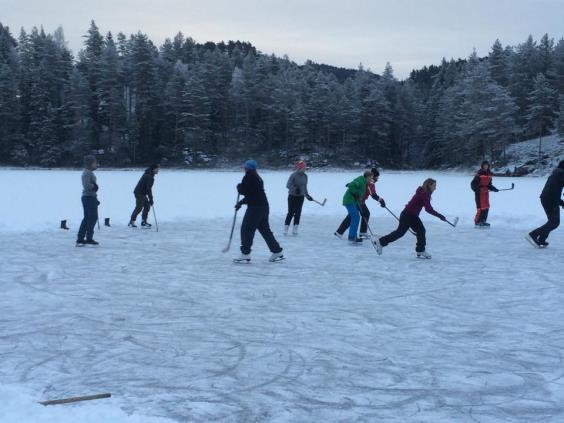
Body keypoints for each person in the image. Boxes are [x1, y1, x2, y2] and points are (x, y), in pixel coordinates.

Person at [378, 178, 447, 259]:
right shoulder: (424, 194)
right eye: (434, 186)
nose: (435, 188)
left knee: (419, 230)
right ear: (429, 185)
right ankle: (380, 242)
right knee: (401, 233)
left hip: (411, 215)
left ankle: (420, 250)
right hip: (408, 215)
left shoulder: (424, 192)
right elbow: (428, 209)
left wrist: (439, 216)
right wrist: (439, 216)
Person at [234, 160, 284, 263]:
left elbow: (245, 191)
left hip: (255, 208)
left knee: (246, 229)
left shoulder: (249, 177)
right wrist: (241, 203)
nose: (244, 168)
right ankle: (276, 251)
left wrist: (239, 187)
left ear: (248, 168)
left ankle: (245, 253)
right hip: (263, 207)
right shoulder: (257, 177)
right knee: (265, 230)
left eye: (245, 167)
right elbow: (253, 194)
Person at [334, 168, 385, 239]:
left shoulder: (368, 181)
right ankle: (360, 233)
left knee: (354, 215)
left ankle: (340, 232)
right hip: (357, 201)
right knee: (361, 214)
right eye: (377, 177)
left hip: (359, 201)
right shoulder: (370, 183)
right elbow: (372, 194)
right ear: (372, 176)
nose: (378, 178)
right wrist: (380, 200)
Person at [527, 160, 564, 248]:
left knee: (552, 221)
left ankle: (541, 239)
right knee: (554, 222)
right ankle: (533, 235)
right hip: (550, 199)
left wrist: (561, 202)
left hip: (548, 198)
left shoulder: (557, 173)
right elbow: (554, 191)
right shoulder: (561, 174)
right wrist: (561, 202)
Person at [341, 170, 374, 244]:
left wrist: (359, 205)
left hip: (354, 202)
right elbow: (352, 184)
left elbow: (359, 197)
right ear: (367, 177)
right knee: (355, 217)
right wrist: (354, 192)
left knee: (356, 217)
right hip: (349, 201)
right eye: (370, 178)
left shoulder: (364, 183)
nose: (371, 179)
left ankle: (352, 235)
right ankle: (352, 236)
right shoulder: (361, 181)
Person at [284, 160, 313, 236]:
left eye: (305, 168)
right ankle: (286, 228)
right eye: (303, 168)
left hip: (300, 197)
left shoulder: (305, 176)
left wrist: (307, 195)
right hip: (292, 196)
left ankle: (295, 229)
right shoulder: (293, 175)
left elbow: (304, 187)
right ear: (299, 168)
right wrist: (295, 188)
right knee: (290, 212)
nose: (304, 169)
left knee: (298, 212)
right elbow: (288, 185)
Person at [76, 155, 100, 246]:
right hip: (88, 197)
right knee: (89, 218)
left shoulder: (89, 172)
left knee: (92, 218)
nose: (96, 164)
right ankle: (80, 239)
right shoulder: (87, 173)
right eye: (94, 163)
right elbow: (87, 186)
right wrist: (94, 186)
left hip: (91, 197)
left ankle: (88, 238)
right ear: (90, 164)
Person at [471, 160, 498, 228]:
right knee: (480, 207)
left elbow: (489, 185)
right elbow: (473, 184)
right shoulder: (479, 173)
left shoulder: (489, 174)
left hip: (485, 193)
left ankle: (483, 221)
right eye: (484, 165)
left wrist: (493, 188)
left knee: (486, 206)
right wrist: (477, 190)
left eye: (487, 165)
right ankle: (477, 222)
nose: (485, 166)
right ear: (482, 166)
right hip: (479, 193)